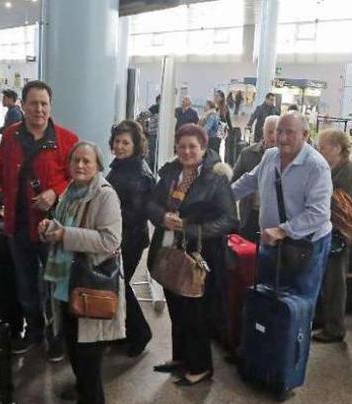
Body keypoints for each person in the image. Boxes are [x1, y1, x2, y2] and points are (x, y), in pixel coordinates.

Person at [0, 80, 78, 360]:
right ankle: (34, 331)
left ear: (50, 106)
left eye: (44, 104)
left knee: (56, 284)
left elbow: (78, 179)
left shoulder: (67, 139)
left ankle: (57, 336)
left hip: (52, 227)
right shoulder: (11, 136)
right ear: (23, 105)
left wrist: (55, 192)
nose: (39, 109)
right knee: (26, 284)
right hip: (18, 225)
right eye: (33, 103)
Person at [147, 124, 237, 386]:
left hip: (199, 254)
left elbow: (230, 219)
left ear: (203, 148)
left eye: (192, 147)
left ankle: (200, 366)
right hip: (169, 249)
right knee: (176, 306)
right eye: (182, 146)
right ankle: (181, 358)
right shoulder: (170, 172)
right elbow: (150, 204)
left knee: (195, 309)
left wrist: (192, 228)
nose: (187, 151)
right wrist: (162, 217)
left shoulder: (216, 177)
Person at [40, 142, 124, 404]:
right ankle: (82, 387)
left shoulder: (104, 195)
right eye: (76, 160)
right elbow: (61, 225)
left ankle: (92, 403)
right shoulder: (71, 190)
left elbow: (110, 241)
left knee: (87, 348)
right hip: (67, 278)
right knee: (73, 340)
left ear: (98, 164)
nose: (80, 166)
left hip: (89, 279)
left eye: (87, 161)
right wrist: (49, 228)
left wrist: (65, 234)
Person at [231, 113, 333, 308]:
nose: (283, 138)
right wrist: (222, 198)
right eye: (279, 131)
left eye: (290, 132)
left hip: (306, 246)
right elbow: (249, 181)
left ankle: (295, 337)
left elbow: (319, 213)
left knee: (298, 302)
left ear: (305, 134)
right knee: (268, 298)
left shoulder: (316, 166)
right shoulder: (270, 156)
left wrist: (283, 230)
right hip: (272, 243)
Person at [106, 121, 154, 357]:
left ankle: (141, 333)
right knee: (118, 286)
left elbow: (134, 213)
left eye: (126, 142)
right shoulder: (121, 166)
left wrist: (105, 219)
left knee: (120, 286)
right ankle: (126, 333)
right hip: (120, 236)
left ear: (136, 145)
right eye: (117, 141)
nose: (120, 146)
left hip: (129, 239)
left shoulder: (137, 172)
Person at [312, 128, 352, 343]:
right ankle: (324, 319)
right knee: (326, 279)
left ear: (337, 148)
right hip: (327, 230)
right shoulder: (330, 167)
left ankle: (335, 327)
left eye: (323, 147)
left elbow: (345, 204)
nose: (319, 150)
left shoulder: (349, 171)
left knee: (335, 281)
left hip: (339, 233)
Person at [231, 115, 280, 242]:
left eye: (277, 131)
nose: (273, 136)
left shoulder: (286, 157)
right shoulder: (247, 153)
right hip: (250, 213)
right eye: (270, 132)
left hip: (275, 220)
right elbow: (235, 182)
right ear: (263, 132)